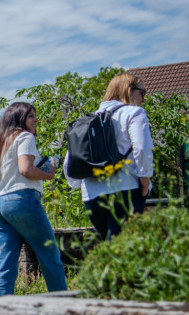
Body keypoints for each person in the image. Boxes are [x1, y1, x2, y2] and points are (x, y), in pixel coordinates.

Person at [0, 101, 67, 297]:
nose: (35, 119)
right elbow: (26, 169)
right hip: (21, 199)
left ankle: (0, 311)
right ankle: (63, 303)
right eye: (31, 116)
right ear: (19, 119)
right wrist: (49, 173)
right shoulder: (24, 137)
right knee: (49, 254)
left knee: (5, 262)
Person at [64, 72, 154, 240]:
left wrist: (77, 185)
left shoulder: (90, 118)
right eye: (142, 93)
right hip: (124, 189)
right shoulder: (134, 113)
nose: (143, 99)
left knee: (112, 248)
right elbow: (142, 149)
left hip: (91, 197)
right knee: (124, 251)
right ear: (129, 90)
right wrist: (145, 181)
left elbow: (69, 161)